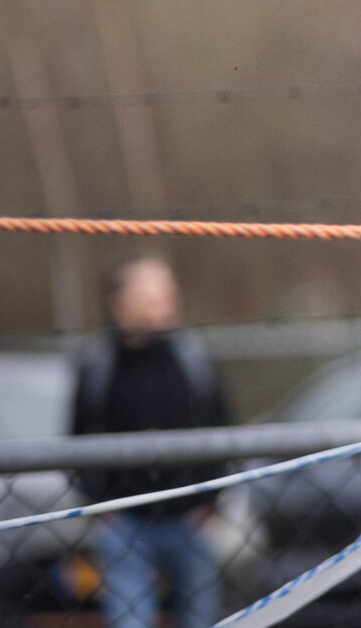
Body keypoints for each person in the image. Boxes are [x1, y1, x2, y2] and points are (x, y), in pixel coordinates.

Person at [71, 258, 230, 628]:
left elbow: (222, 428)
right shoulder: (98, 363)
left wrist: (211, 502)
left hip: (192, 517)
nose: (168, 302)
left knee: (201, 617)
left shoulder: (194, 357)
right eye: (154, 294)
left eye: (169, 292)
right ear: (122, 306)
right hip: (124, 520)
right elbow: (78, 437)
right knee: (129, 619)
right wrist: (101, 506)